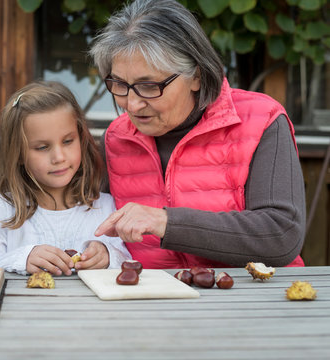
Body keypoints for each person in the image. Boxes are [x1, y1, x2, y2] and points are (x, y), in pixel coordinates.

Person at [90, 0, 305, 269]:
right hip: (148, 301)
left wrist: (165, 222)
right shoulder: (115, 139)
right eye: (119, 84)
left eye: (149, 85)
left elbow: (280, 235)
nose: (132, 105)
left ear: (197, 76)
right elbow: (92, 226)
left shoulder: (262, 120)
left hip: (252, 300)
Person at [0, 81, 131, 275]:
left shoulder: (105, 207)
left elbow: (129, 262)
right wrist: (22, 258)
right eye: (42, 147)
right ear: (18, 155)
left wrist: (108, 256)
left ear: (81, 140)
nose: (59, 157)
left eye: (68, 141)